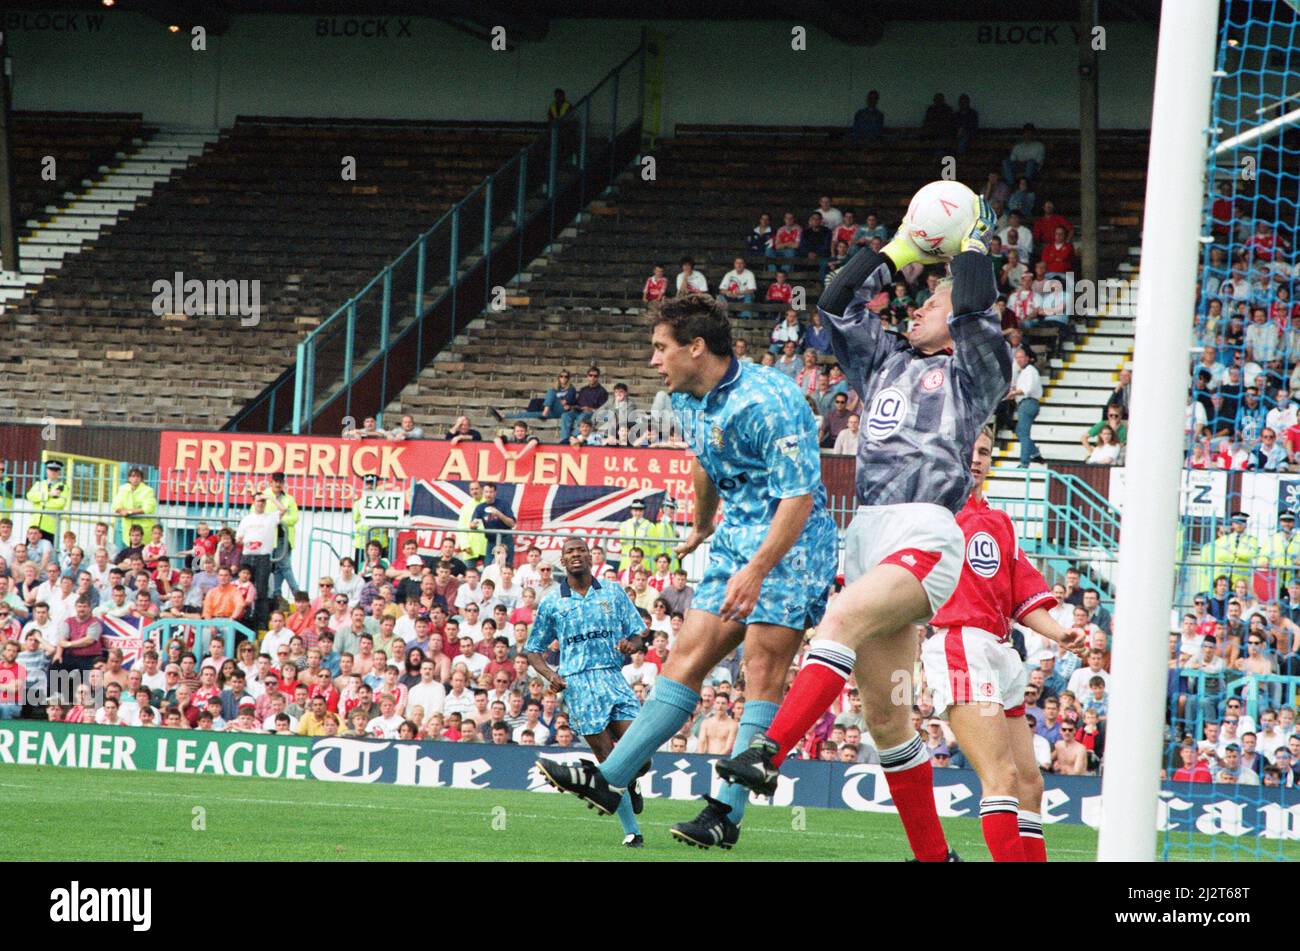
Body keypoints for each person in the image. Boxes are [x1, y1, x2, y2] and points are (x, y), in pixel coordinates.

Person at [715, 191, 1008, 863]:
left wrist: (970, 243)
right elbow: (835, 303)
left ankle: (766, 751)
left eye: (928, 304)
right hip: (868, 530)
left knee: (840, 617)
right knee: (885, 718)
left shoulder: (974, 372)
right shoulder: (884, 361)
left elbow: (971, 306)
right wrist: (901, 248)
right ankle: (936, 858)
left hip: (926, 530)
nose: (918, 308)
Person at [536, 292, 837, 851]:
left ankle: (725, 812)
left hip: (792, 544)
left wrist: (757, 569)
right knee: (685, 658)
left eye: (660, 348)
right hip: (735, 537)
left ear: (696, 348)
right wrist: (701, 525)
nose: (653, 361)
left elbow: (798, 496)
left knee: (760, 669)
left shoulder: (771, 399)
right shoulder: (687, 398)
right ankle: (611, 779)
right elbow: (704, 459)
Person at [919, 428, 1086, 861]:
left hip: (1002, 651)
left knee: (1031, 785)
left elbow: (1022, 599)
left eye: (985, 452)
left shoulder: (1001, 523)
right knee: (1001, 778)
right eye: (969, 449)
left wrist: (1060, 634)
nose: (976, 458)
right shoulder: (931, 513)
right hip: (961, 644)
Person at [530, 536, 649, 847]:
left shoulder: (612, 591)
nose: (576, 555)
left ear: (592, 556)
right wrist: (550, 675)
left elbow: (638, 633)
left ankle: (632, 780)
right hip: (579, 685)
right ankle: (632, 831)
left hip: (613, 678)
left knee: (642, 751)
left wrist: (631, 644)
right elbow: (533, 650)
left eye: (581, 550)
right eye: (570, 551)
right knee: (608, 758)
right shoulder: (552, 602)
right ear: (562, 560)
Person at [1008, 348, 1044, 466]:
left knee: (1023, 433)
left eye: (1021, 357)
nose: (1019, 360)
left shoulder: (1030, 370)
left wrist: (1013, 393)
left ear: (1027, 358)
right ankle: (1035, 453)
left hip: (1028, 402)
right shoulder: (1023, 372)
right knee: (1020, 431)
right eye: (1017, 357)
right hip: (1025, 403)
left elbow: (1027, 389)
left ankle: (1024, 462)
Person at [110, 467, 157, 551]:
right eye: (133, 476)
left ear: (141, 479)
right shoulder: (123, 489)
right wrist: (121, 511)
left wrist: (129, 511)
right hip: (128, 529)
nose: (135, 479)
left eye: (138, 476)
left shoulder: (148, 490)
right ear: (129, 478)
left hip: (143, 530)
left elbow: (148, 508)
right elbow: (115, 505)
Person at [26, 459, 69, 543]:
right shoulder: (39, 484)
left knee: (48, 552)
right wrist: (48, 494)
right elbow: (29, 496)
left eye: (56, 470)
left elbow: (60, 503)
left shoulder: (63, 487)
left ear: (59, 472)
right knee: (30, 552)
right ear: (46, 470)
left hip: (50, 527)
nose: (53, 472)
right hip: (34, 525)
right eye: (51, 469)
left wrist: (40, 502)